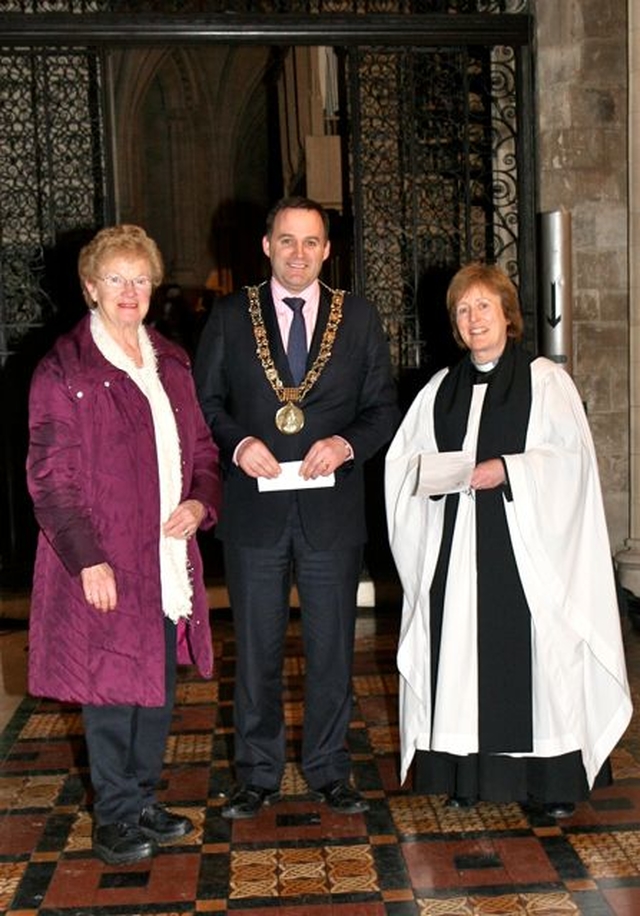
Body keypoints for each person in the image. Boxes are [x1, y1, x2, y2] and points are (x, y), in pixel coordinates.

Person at [385, 262, 632, 818]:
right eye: (463, 310)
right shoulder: (440, 390)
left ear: (507, 315)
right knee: (458, 657)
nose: (474, 319)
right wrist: (430, 477)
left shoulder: (545, 381)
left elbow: (571, 462)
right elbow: (404, 462)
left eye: (484, 307)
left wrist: (510, 469)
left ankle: (549, 783)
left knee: (537, 659)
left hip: (524, 551)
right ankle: (466, 773)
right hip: (455, 548)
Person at [194, 196, 398, 818]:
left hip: (331, 514)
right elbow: (204, 403)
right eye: (287, 240)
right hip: (253, 513)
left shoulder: (357, 317)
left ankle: (329, 768)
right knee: (254, 649)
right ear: (266, 245)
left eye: (311, 242)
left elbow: (383, 409)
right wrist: (240, 442)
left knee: (332, 647)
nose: (299, 253)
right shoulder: (230, 316)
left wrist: (344, 444)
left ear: (327, 250)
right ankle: (256, 773)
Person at [26, 224, 221, 866]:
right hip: (104, 560)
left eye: (140, 278)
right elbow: (52, 481)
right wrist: (87, 558)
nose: (129, 291)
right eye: (115, 279)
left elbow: (201, 451)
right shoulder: (65, 370)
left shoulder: (171, 360)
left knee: (156, 690)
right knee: (109, 690)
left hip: (163, 557)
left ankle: (139, 799)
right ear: (91, 288)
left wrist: (200, 501)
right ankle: (113, 817)